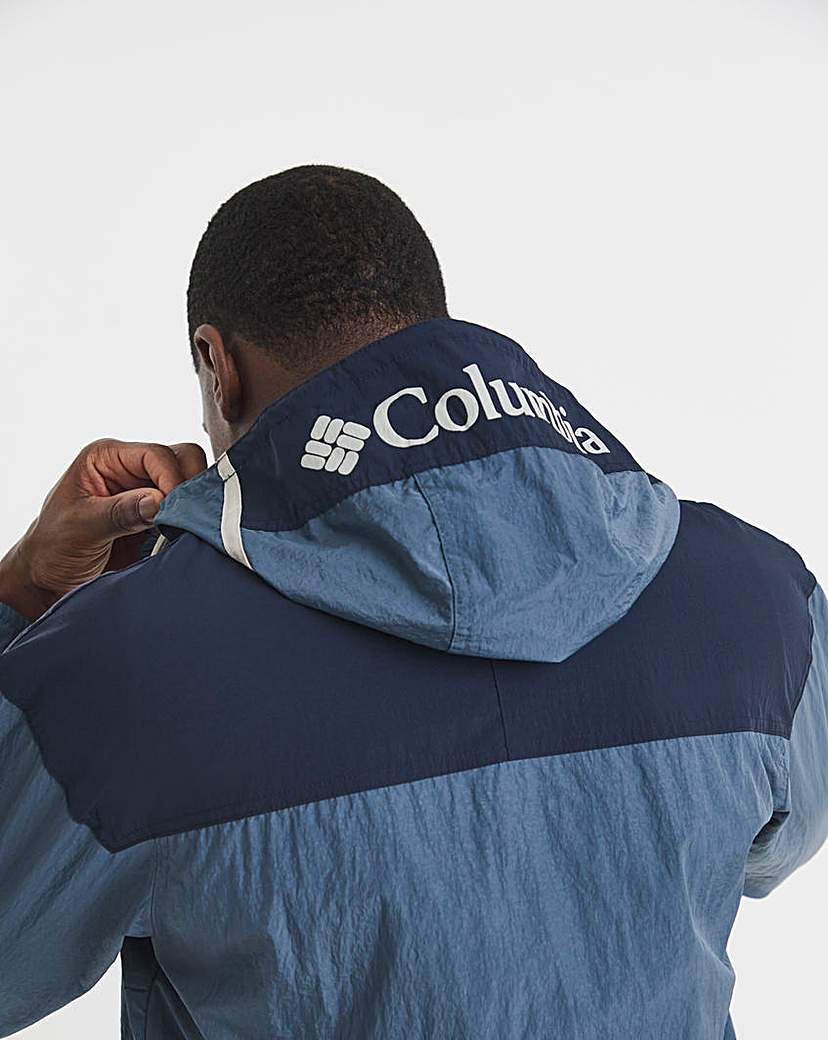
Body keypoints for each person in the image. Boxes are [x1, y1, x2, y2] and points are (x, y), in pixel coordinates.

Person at [0, 165, 825, 1040]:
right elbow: (773, 846)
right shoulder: (766, 601)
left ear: (217, 365)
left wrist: (26, 590)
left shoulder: (123, 670)